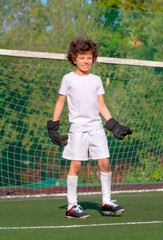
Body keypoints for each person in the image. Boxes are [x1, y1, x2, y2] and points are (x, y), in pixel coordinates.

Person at [47, 37, 133, 219]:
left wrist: (114, 125)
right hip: (77, 129)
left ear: (93, 58)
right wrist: (53, 128)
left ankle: (107, 202)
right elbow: (60, 103)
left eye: (89, 57)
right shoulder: (67, 79)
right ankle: (71, 206)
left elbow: (101, 106)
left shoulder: (96, 80)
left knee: (105, 163)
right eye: (82, 57)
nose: (86, 60)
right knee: (76, 166)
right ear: (74, 59)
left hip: (96, 129)